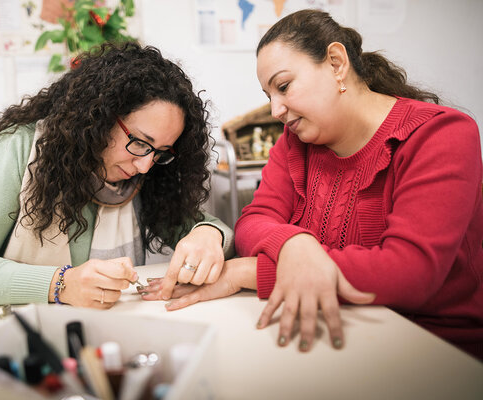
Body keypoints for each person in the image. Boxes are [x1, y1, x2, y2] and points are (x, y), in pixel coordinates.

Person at [146, 9, 483, 360]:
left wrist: (249, 271)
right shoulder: (296, 144)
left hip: (434, 349)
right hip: (337, 333)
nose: (275, 109)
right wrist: (294, 244)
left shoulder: (440, 135)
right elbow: (252, 223)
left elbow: (409, 274)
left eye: (284, 86)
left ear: (336, 63)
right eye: (268, 95)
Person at [0, 41, 234, 308]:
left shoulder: (144, 172)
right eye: (140, 142)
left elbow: (211, 230)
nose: (145, 166)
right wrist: (61, 283)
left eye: (161, 152)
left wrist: (209, 234)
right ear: (99, 118)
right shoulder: (18, 148)